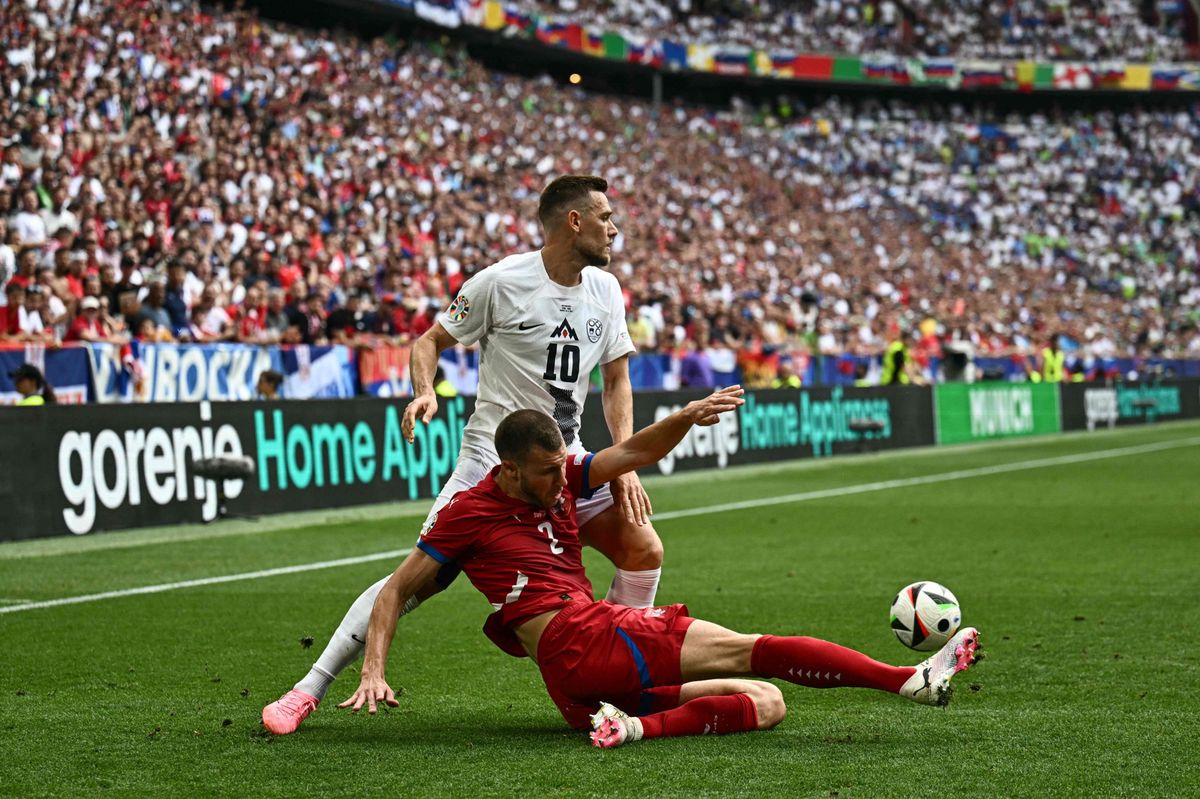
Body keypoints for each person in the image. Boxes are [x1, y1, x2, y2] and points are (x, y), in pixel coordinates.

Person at [338, 390, 983, 748]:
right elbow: (396, 590)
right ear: (506, 469)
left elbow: (634, 449)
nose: (561, 479)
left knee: (766, 703)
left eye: (563, 465)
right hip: (579, 635)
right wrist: (373, 670)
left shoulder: (561, 476)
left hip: (575, 687)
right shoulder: (467, 513)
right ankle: (907, 680)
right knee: (751, 651)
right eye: (545, 471)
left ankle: (633, 725)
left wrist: (685, 417)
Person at [262, 175, 664, 734]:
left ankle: (617, 678)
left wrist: (622, 462)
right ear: (574, 222)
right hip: (490, 469)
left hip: (564, 465)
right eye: (605, 217)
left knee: (643, 547)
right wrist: (424, 390)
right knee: (413, 585)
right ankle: (308, 689)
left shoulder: (607, 290)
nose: (614, 228)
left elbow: (617, 379)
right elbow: (428, 341)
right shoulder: (501, 282)